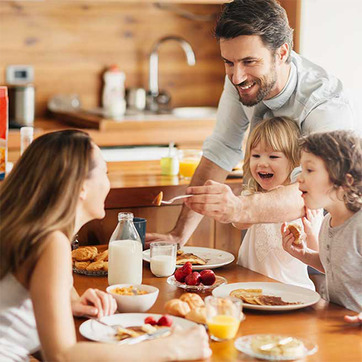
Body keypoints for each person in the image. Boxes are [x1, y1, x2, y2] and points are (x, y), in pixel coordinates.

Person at [146, 0, 356, 247]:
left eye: (249, 62)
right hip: (261, 229)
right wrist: (178, 234)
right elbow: (221, 150)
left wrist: (239, 207)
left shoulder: (325, 104)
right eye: (229, 62)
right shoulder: (242, 79)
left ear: (282, 53)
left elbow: (314, 191)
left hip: (323, 242)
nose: (237, 76)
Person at [0, 130, 211, 361]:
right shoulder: (51, 242)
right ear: (80, 186)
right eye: (105, 172)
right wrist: (171, 348)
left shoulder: (24, 229)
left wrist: (64, 303)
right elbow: (60, 356)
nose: (108, 184)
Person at [234, 117, 321, 289]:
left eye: (273, 156)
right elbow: (238, 222)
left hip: (290, 289)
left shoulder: (303, 202)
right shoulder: (253, 195)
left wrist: (311, 233)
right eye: (255, 155)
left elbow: (319, 255)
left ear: (295, 163)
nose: (262, 163)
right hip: (248, 286)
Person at [281, 130, 362, 313]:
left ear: (344, 181)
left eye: (309, 170)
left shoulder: (359, 226)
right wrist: (304, 254)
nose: (299, 177)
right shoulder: (327, 222)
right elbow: (335, 266)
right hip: (336, 323)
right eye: (301, 170)